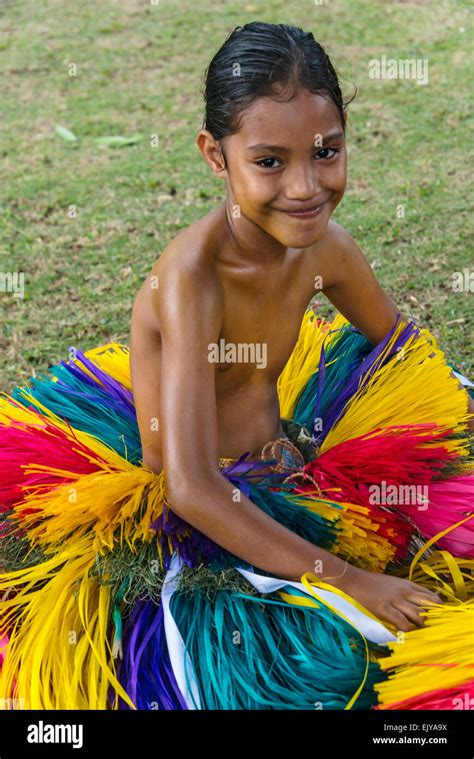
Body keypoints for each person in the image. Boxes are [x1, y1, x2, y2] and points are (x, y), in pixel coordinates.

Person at [0, 21, 472, 711]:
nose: (306, 186)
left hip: (289, 460)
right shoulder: (193, 276)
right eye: (270, 161)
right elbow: (189, 487)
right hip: (199, 515)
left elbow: (402, 347)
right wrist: (343, 575)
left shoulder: (326, 249)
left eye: (326, 152)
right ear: (216, 157)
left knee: (447, 540)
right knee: (322, 671)